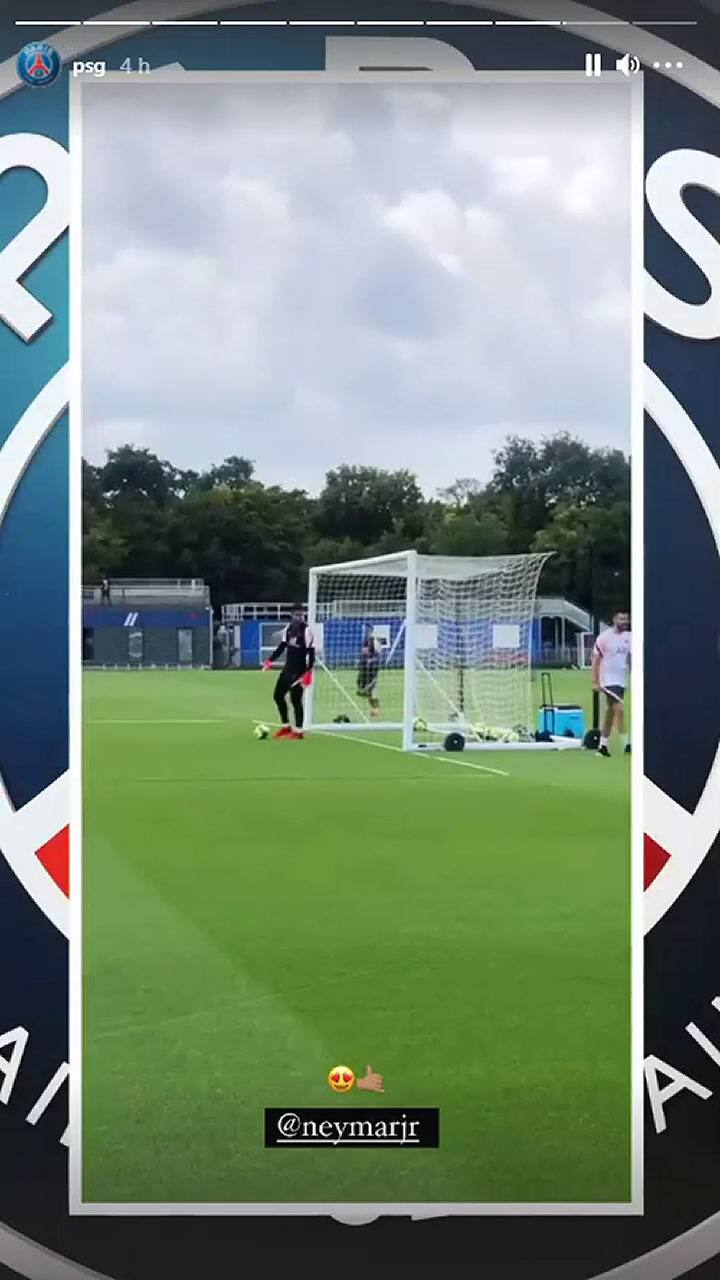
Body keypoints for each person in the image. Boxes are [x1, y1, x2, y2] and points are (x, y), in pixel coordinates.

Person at [263, 605, 315, 740]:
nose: (298, 617)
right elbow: (282, 646)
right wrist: (270, 661)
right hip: (288, 669)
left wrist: (309, 671)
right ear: (292, 616)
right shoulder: (289, 629)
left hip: (299, 670)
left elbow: (311, 652)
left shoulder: (306, 630)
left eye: (301, 615)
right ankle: (286, 726)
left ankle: (298, 732)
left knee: (295, 699)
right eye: (296, 615)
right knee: (278, 696)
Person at [591, 610, 631, 757]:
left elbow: (631, 658)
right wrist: (595, 681)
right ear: (614, 619)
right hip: (608, 680)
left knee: (611, 713)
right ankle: (627, 744)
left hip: (621, 680)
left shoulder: (630, 637)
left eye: (626, 619)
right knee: (619, 709)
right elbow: (595, 660)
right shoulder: (604, 638)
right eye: (621, 619)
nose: (624, 622)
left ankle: (603, 746)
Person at [357, 623, 382, 719]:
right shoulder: (364, 641)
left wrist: (371, 661)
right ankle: (374, 709)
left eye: (368, 630)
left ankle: (376, 711)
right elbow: (363, 655)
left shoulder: (374, 641)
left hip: (372, 670)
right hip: (364, 670)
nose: (366, 632)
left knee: (372, 691)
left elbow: (378, 656)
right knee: (364, 691)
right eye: (365, 630)